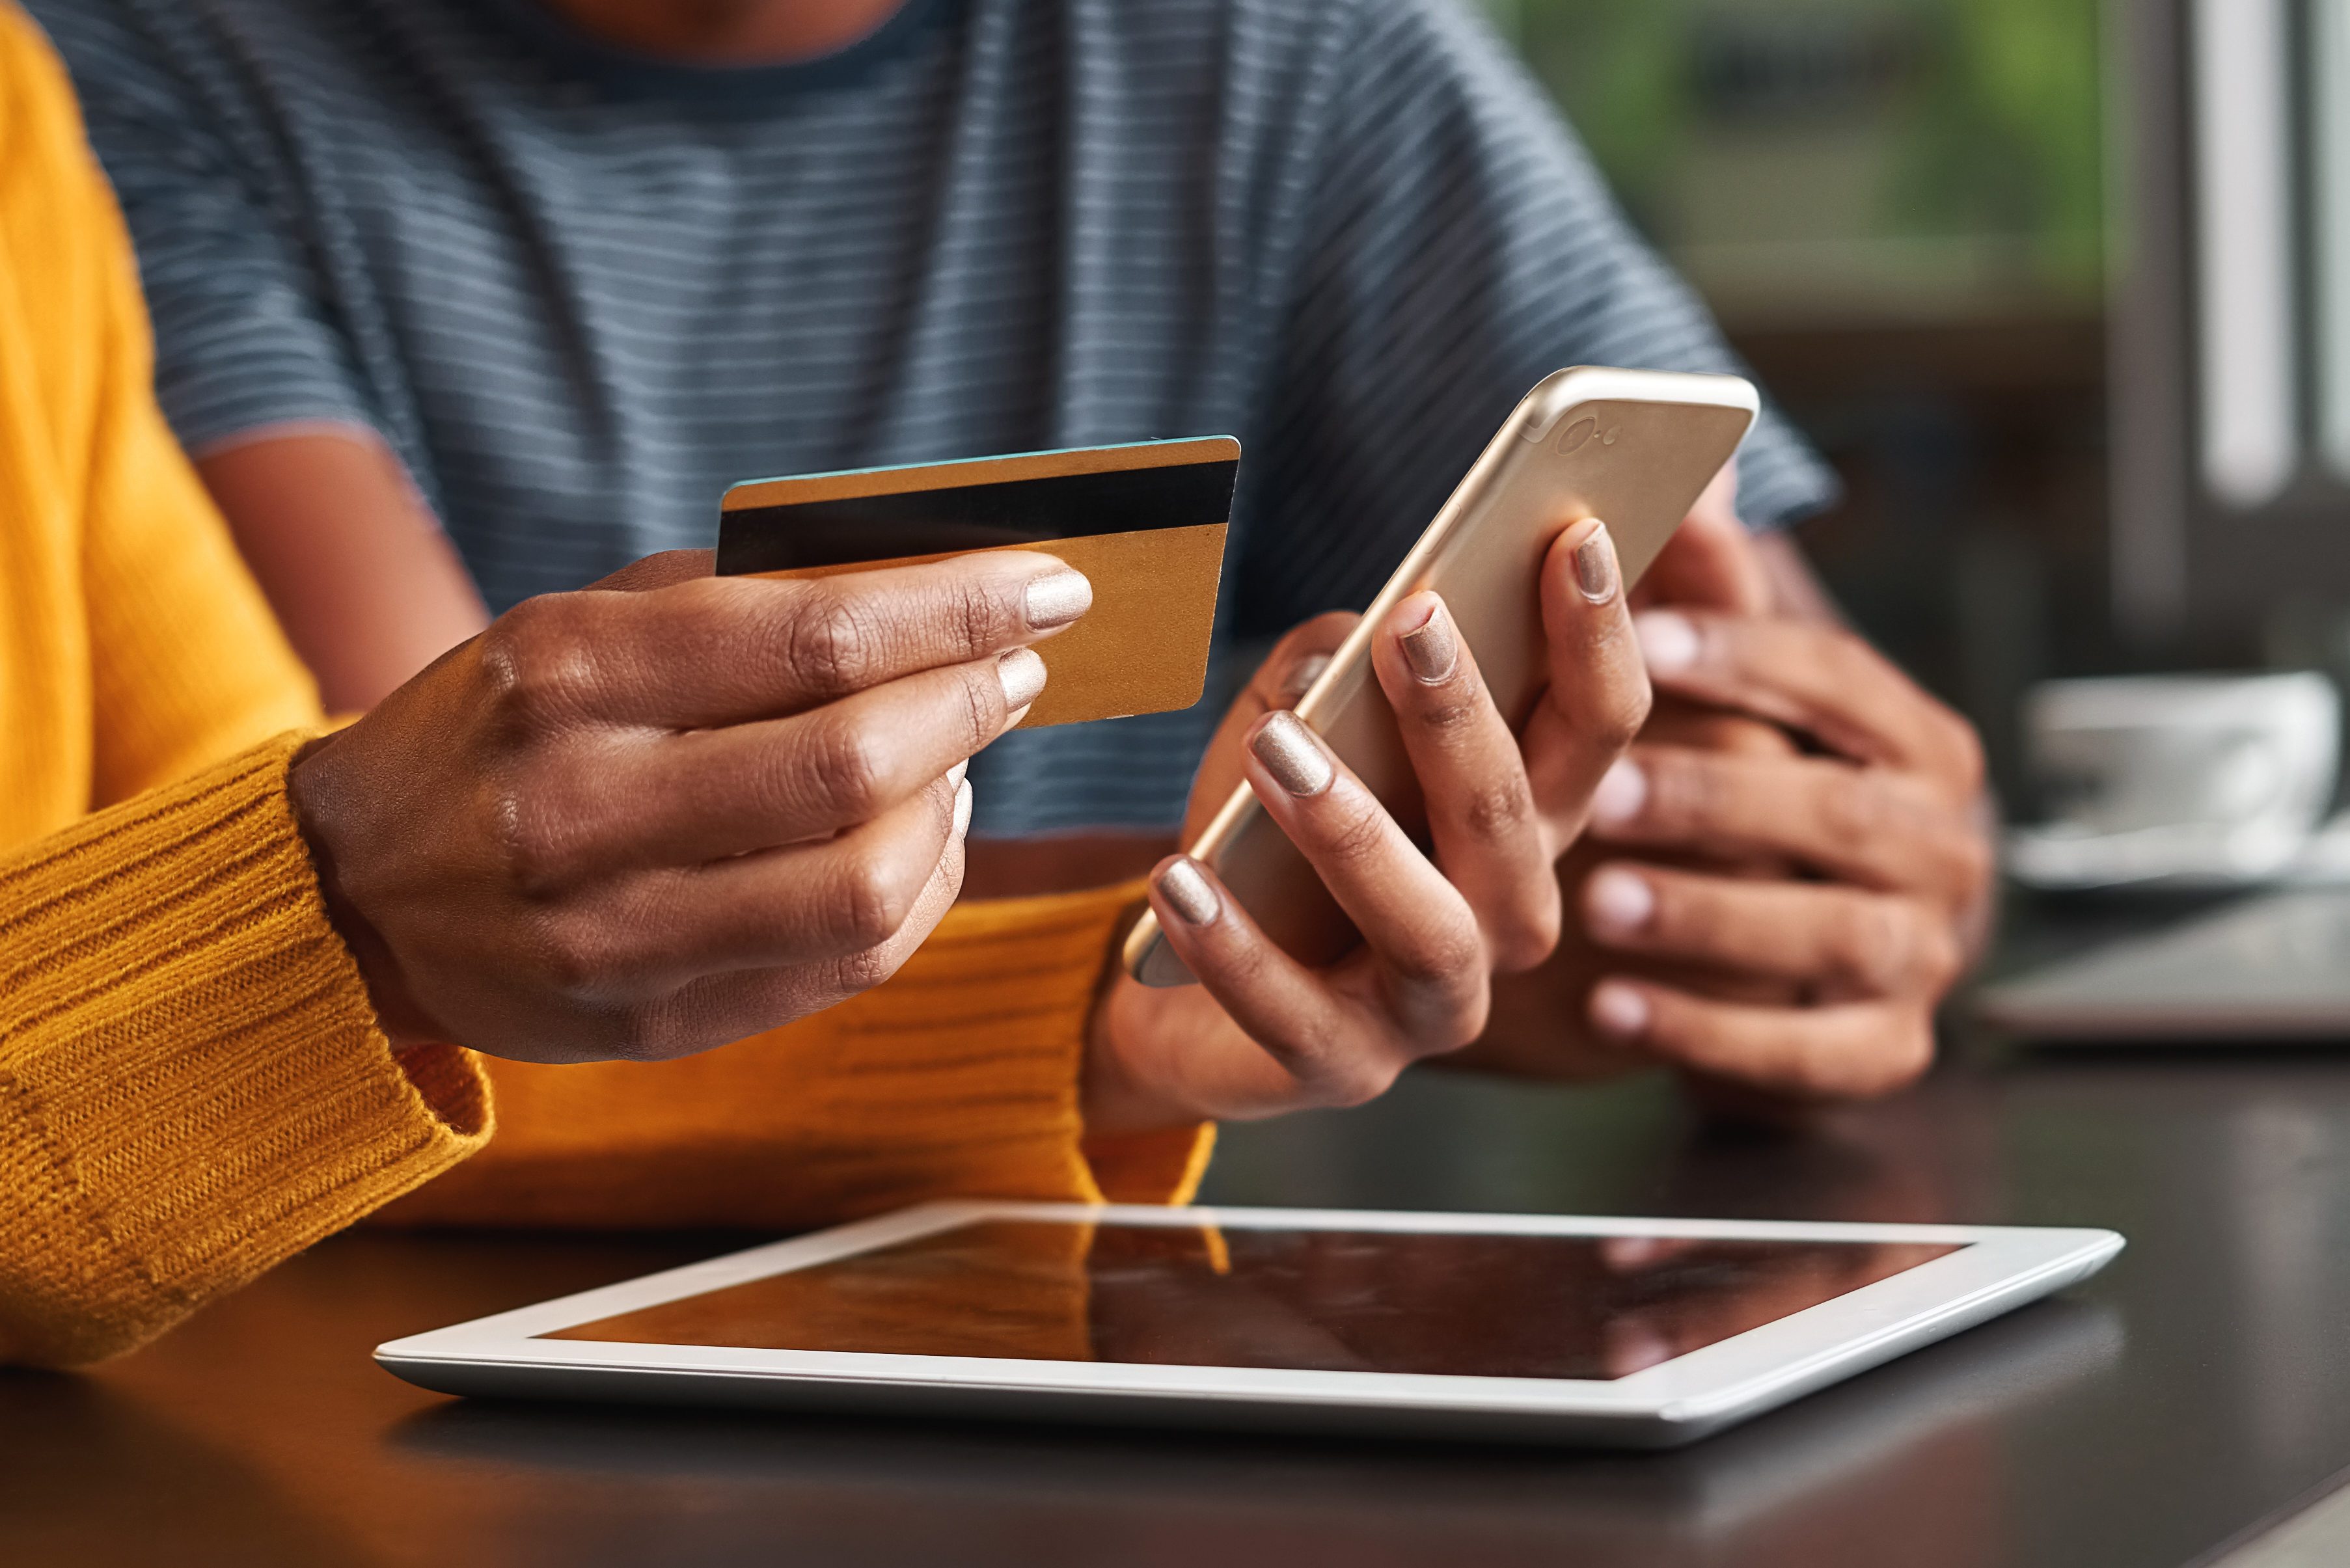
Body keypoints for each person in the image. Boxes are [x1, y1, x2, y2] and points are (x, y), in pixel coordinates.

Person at [0, 3, 1655, 1365]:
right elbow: (301, 962)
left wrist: (1113, 1017)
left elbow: (298, 1040)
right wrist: (353, 917)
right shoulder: (147, 68)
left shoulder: (21, 129)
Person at [33, 0, 1995, 1102]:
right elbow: (480, 935)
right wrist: (1214, 935)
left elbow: (1765, 740)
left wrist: (1806, 881)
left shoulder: (1290, 60)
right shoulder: (125, 85)